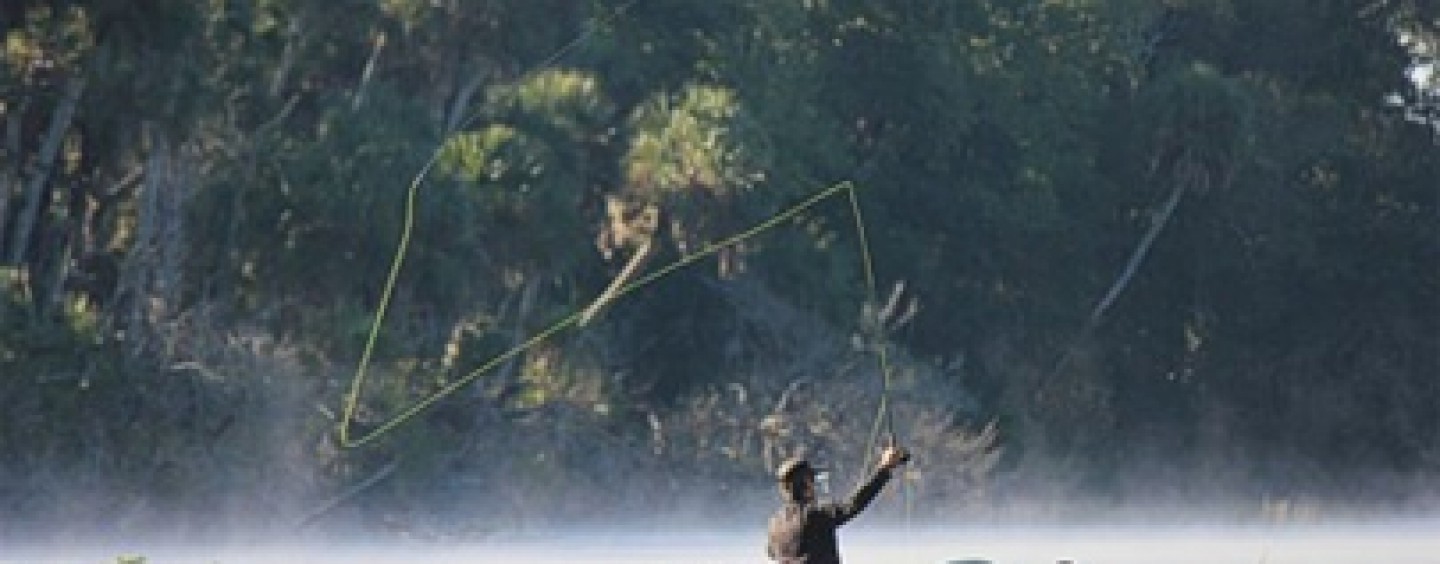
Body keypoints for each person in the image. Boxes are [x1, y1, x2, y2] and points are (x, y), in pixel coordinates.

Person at [766, 444, 910, 563]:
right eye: (812, 481)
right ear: (807, 485)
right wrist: (884, 468)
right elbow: (854, 504)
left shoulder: (774, 524)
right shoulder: (815, 515)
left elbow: (771, 553)